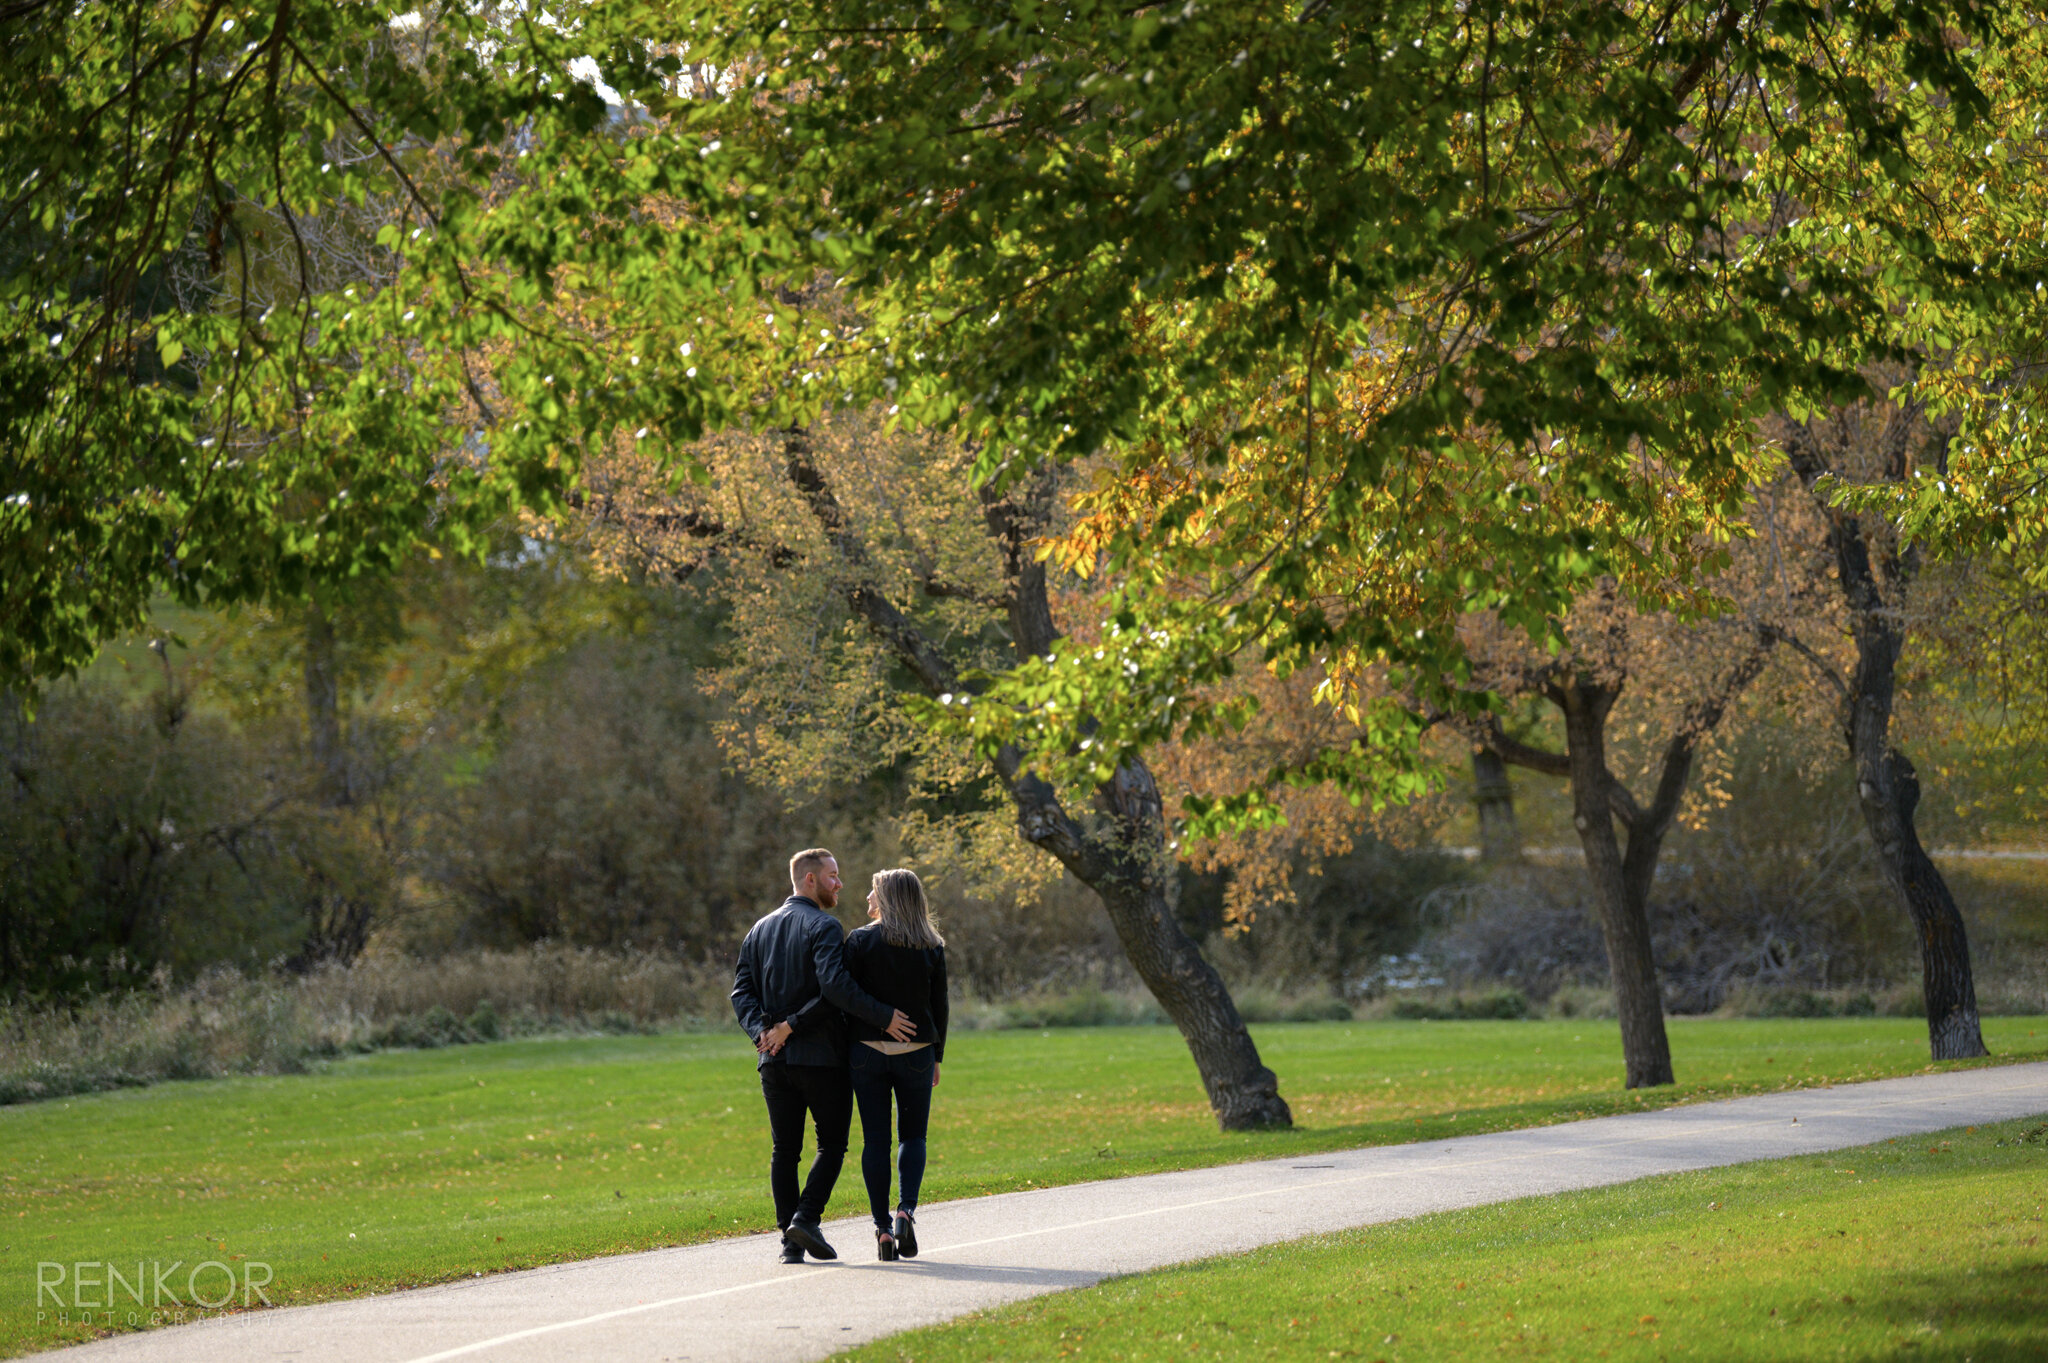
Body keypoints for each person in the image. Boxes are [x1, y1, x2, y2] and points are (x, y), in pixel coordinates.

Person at [733, 848, 915, 1264]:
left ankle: (790, 1244)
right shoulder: (824, 926)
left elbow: (740, 992)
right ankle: (805, 1217)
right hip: (820, 1058)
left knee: (785, 1151)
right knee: (831, 1145)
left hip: (773, 1061)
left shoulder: (757, 929)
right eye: (833, 876)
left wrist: (762, 1033)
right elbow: (833, 990)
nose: (840, 884)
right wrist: (882, 1016)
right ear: (810, 880)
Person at [842, 867, 948, 1262]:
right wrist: (937, 1056)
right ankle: (906, 1209)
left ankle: (883, 1229)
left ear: (887, 898)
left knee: (875, 1141)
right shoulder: (931, 944)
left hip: (867, 1051)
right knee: (913, 1137)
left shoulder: (859, 941)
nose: (868, 899)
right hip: (917, 1053)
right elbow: (941, 1007)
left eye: (873, 892)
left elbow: (847, 994)